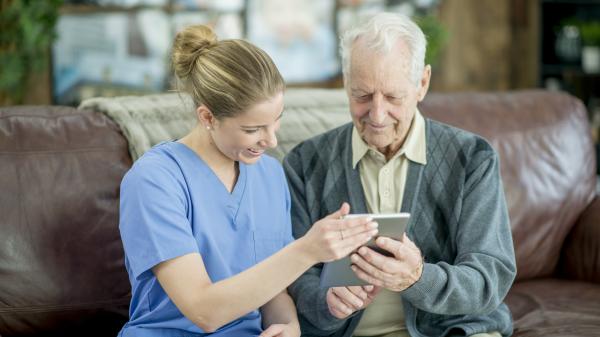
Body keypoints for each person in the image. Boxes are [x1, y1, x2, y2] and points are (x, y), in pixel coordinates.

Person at [117, 25, 379, 337]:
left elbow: (272, 291)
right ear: (207, 117)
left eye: (277, 119)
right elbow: (204, 311)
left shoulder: (269, 175)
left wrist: (288, 327)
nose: (271, 140)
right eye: (253, 129)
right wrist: (307, 250)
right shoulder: (155, 180)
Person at [283, 13, 517, 337]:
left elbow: (489, 277)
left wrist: (420, 279)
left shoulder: (472, 159)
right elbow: (291, 272)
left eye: (393, 97)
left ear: (422, 83)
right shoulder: (304, 163)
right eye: (362, 95)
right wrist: (325, 301)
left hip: (451, 330)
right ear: (346, 83)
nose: (377, 115)